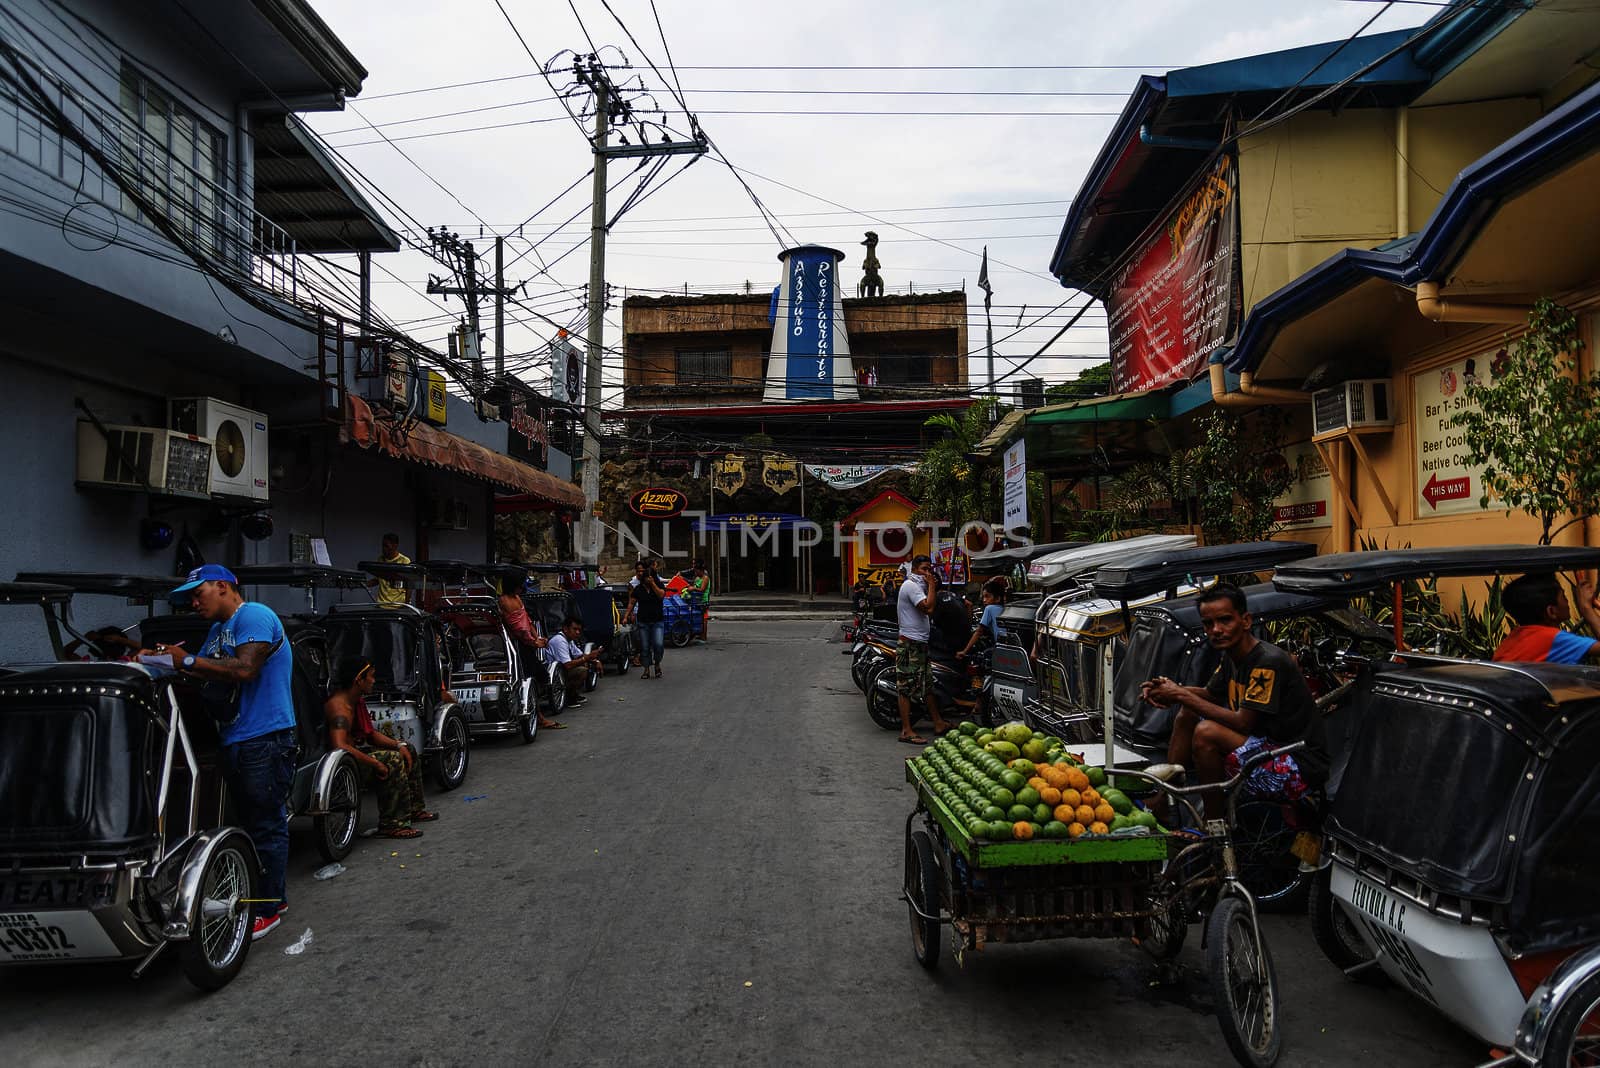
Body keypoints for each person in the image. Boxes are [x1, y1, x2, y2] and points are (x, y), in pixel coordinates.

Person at [142, 565, 296, 941]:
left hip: (266, 738)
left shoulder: (255, 616)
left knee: (265, 823)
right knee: (248, 823)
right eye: (190, 597)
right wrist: (156, 660)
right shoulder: (216, 632)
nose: (194, 602)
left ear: (223, 586)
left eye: (200, 593)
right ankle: (269, 895)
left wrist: (188, 661)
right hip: (237, 738)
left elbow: (244, 670)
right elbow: (204, 673)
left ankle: (268, 907)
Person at [1140, 583, 1328, 820]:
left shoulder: (1267, 662)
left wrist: (1179, 694)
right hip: (1262, 749)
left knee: (1207, 732)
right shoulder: (1233, 657)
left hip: (1297, 767)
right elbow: (1211, 694)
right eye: (1208, 624)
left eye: (1225, 620)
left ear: (1246, 621)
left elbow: (1242, 723)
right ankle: (1164, 800)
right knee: (1188, 712)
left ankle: (1214, 825)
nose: (1216, 630)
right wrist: (1168, 691)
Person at [325, 659, 436, 839]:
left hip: (355, 756)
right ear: (358, 680)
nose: (374, 681)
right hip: (344, 764)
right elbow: (339, 745)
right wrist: (375, 763)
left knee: (408, 749)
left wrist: (398, 745)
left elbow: (371, 735)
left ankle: (414, 810)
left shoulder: (357, 701)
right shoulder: (340, 707)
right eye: (371, 677)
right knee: (391, 760)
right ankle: (392, 824)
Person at [895, 555, 952, 745]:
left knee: (927, 685)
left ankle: (938, 722)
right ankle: (906, 730)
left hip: (920, 644)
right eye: (924, 569)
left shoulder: (919, 587)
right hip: (910, 644)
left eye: (930, 569)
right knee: (906, 687)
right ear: (915, 569)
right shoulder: (911, 586)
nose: (928, 573)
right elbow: (927, 607)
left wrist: (932, 585)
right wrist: (932, 586)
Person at [1494, 572, 1600, 663]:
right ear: (1551, 611)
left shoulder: (1509, 641)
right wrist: (1586, 609)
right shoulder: (1552, 638)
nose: (1567, 601)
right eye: (1564, 597)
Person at [498, 586, 565, 730]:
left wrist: (537, 638)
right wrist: (533, 641)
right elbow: (519, 629)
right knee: (530, 678)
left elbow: (526, 621)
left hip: (526, 643)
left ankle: (536, 710)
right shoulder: (505, 600)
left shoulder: (516, 598)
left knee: (540, 676)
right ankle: (537, 715)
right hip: (518, 645)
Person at [547, 616, 604, 706]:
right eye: (575, 629)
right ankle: (569, 697)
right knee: (582, 670)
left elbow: (580, 655)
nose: (578, 632)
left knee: (584, 663)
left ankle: (573, 694)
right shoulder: (560, 641)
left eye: (579, 630)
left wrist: (595, 661)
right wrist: (587, 658)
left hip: (562, 670)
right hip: (554, 673)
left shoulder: (569, 640)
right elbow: (567, 665)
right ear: (566, 629)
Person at [626, 559, 668, 679]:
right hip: (643, 622)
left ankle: (657, 664)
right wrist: (626, 616)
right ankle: (646, 669)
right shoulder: (638, 589)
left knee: (658, 644)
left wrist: (653, 584)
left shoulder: (658, 585)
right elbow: (631, 602)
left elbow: (661, 595)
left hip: (657, 621)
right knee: (644, 647)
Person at [958, 579, 1008, 659]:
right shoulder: (1005, 608)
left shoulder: (990, 608)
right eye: (983, 597)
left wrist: (964, 651)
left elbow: (979, 631)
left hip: (1000, 648)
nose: (984, 600)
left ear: (997, 598)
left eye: (987, 596)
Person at [372, 533, 410, 606]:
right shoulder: (380, 559)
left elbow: (409, 585)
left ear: (395, 546)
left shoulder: (404, 561)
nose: (383, 549)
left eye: (386, 546)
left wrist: (406, 605)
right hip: (381, 605)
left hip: (398, 605)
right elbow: (378, 579)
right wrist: (362, 584)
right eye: (383, 545)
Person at [690, 560, 711, 644]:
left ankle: (704, 637)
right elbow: (694, 585)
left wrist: (693, 588)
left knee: (704, 619)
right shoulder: (697, 578)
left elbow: (702, 589)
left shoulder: (705, 578)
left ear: (701, 570)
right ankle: (699, 633)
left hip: (703, 601)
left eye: (696, 570)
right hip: (697, 600)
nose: (695, 572)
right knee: (698, 618)